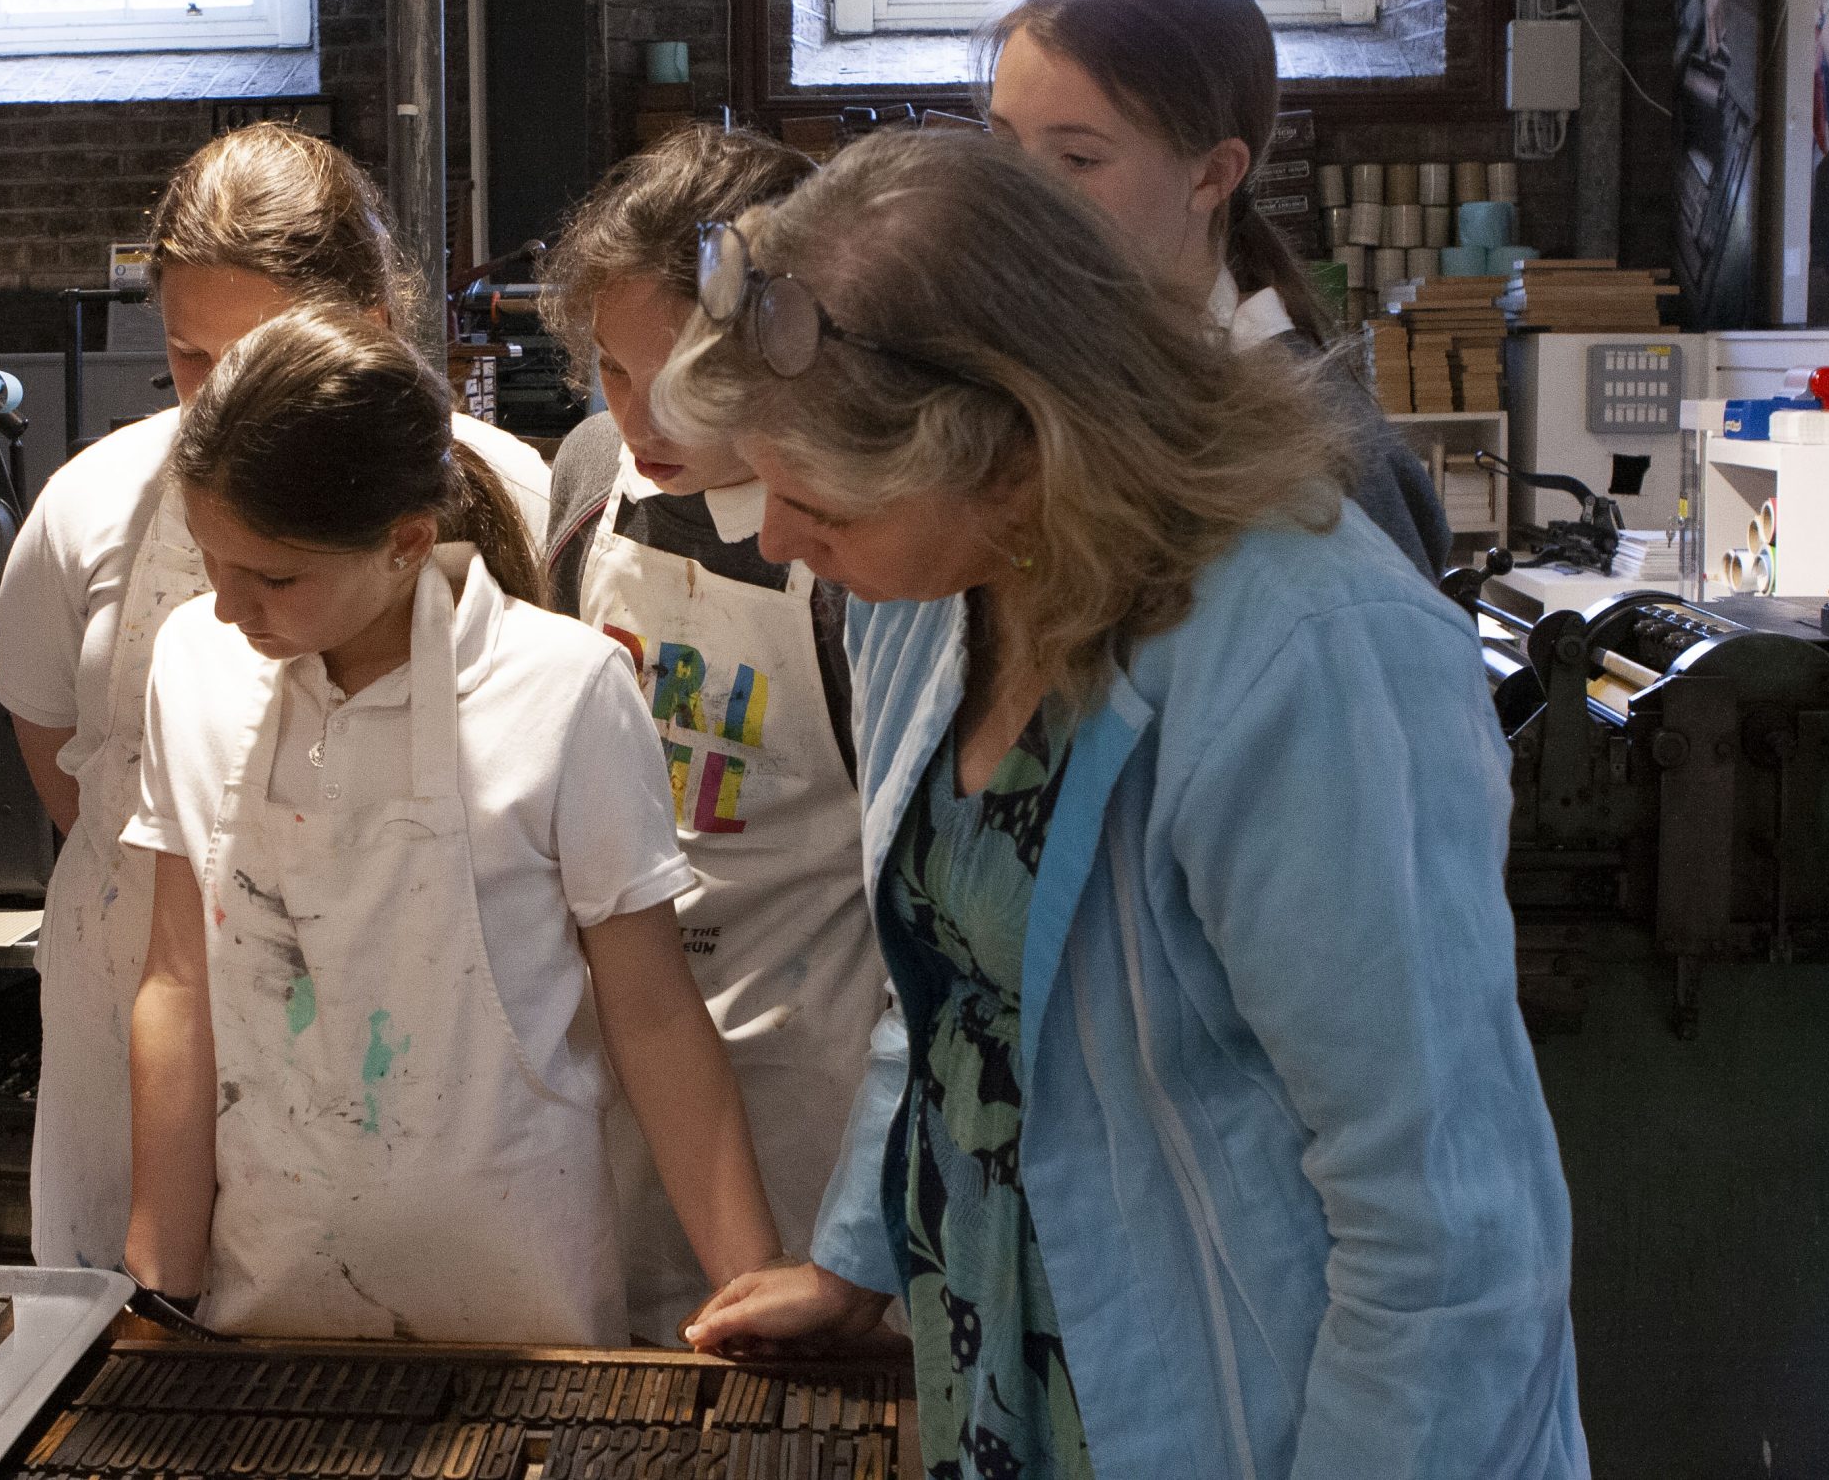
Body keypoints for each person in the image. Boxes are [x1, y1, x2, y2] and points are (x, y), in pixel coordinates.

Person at [668, 131, 1585, 1477]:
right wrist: (862, 1245)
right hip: (1010, 1354)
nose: (776, 542)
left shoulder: (1305, 655)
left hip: (1258, 1407)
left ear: (1016, 457)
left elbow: (1444, 1218)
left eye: (817, 502)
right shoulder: (933, 599)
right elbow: (953, 990)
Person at [120, 304, 780, 1346]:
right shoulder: (194, 669)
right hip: (271, 1280)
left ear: (407, 541)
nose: (227, 605)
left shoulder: (562, 690)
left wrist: (748, 1284)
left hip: (521, 1290)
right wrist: (161, 1282)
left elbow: (650, 1014)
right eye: (211, 560)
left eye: (274, 577)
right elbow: (175, 981)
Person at [0, 122, 552, 1273]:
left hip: (415, 1036)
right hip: (139, 1009)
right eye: (190, 359)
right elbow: (54, 741)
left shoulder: (506, 495)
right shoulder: (89, 505)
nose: (220, 397)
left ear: (370, 329)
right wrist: (198, 908)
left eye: (255, 351)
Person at [537, 124, 887, 1344]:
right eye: (614, 372)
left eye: (688, 375)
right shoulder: (590, 486)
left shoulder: (860, 559)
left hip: (814, 1085)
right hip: (618, 1064)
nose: (646, 415)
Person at [979, 0, 1452, 579]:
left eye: (1078, 159)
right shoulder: (1039, 381)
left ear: (1212, 174)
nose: (1020, 192)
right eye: (1005, 142)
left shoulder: (1326, 453)